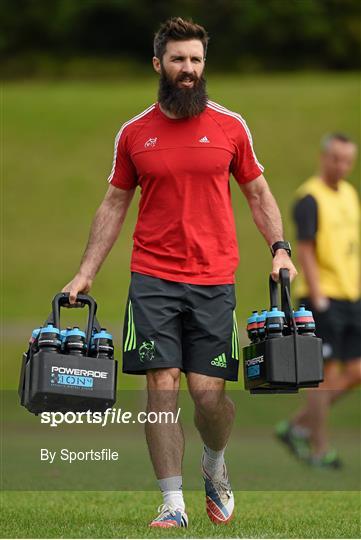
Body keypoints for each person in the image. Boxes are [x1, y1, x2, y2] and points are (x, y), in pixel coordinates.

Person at [62, 17, 296, 528]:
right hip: (152, 278)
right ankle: (173, 503)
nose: (187, 69)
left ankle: (214, 462)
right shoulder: (135, 133)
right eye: (178, 60)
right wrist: (85, 273)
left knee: (209, 398)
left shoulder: (231, 126)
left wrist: (279, 248)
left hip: (214, 280)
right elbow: (113, 204)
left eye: (195, 60)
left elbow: (258, 193)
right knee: (160, 385)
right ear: (158, 64)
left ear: (203, 65)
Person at [276, 133, 360, 468]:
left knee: (356, 370)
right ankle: (320, 449)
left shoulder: (351, 194)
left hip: (351, 296)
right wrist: (318, 295)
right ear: (324, 158)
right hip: (321, 297)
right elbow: (306, 250)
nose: (342, 166)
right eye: (336, 159)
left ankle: (296, 425)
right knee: (321, 376)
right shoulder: (309, 197)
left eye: (348, 161)